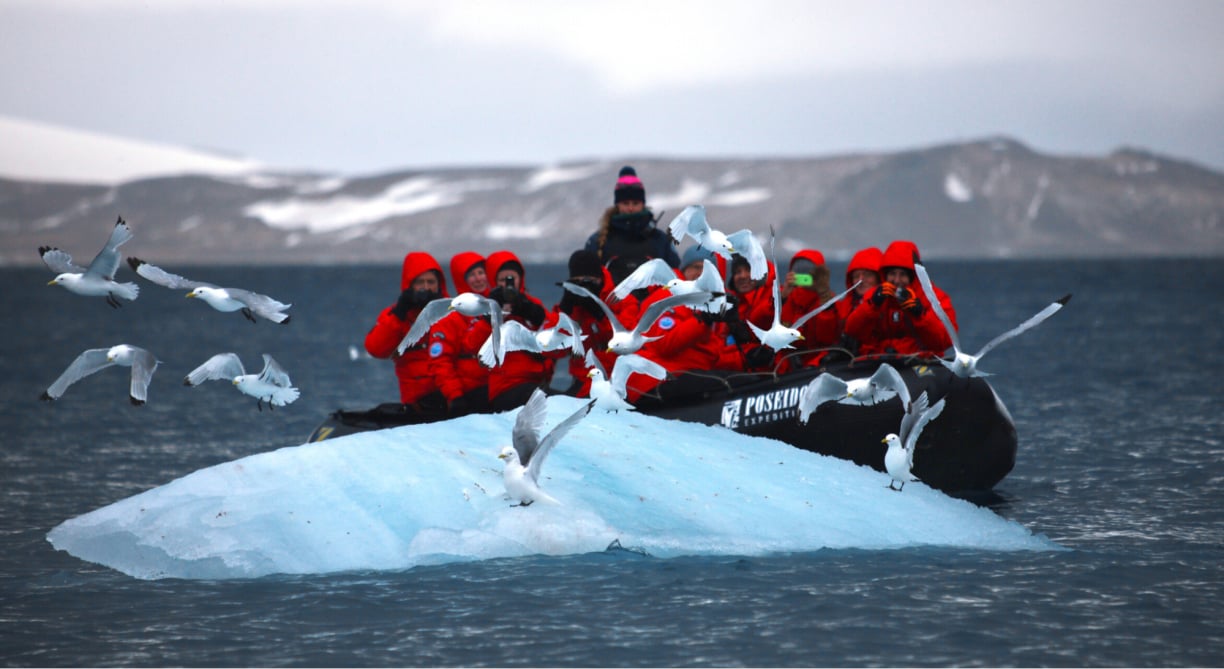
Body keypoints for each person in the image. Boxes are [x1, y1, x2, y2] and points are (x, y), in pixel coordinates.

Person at [363, 251, 449, 415]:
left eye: (431, 282)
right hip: (419, 402)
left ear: (439, 284)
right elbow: (376, 349)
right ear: (409, 285)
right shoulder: (396, 316)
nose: (426, 287)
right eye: (420, 282)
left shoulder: (452, 311)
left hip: (454, 395)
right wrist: (399, 315)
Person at [843, 241, 954, 358]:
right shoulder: (875, 296)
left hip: (919, 362)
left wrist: (920, 316)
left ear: (913, 276)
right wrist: (871, 306)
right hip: (881, 361)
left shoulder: (934, 298)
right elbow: (852, 331)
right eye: (892, 274)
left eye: (903, 275)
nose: (896, 280)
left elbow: (944, 341)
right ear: (884, 274)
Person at [554, 249, 640, 396]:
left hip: (618, 378)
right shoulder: (573, 306)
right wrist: (565, 310)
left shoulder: (623, 301)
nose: (586, 287)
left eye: (590, 281)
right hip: (582, 379)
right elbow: (553, 351)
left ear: (600, 277)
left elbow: (627, 343)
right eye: (580, 282)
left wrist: (600, 314)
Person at [585, 165, 680, 285]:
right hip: (611, 303)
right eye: (625, 203)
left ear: (642, 204)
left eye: (635, 203)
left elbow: (674, 276)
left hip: (653, 302)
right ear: (617, 204)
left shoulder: (660, 239)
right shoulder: (597, 241)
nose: (630, 208)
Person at [426, 252, 493, 417]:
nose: (478, 279)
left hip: (499, 387)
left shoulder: (501, 307)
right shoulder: (450, 317)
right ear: (461, 280)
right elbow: (441, 362)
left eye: (481, 272)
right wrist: (455, 396)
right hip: (471, 393)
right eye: (471, 275)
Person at [485, 250, 552, 411]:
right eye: (502, 280)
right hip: (505, 385)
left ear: (520, 278)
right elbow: (473, 344)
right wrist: (491, 316)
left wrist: (527, 311)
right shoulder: (488, 307)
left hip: (534, 381)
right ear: (493, 281)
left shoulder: (531, 303)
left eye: (512, 278)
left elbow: (553, 341)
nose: (508, 284)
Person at [779, 248, 840, 368]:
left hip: (818, 364)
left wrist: (824, 298)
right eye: (798, 271)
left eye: (808, 272)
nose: (803, 276)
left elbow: (827, 339)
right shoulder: (787, 298)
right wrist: (782, 299)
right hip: (789, 363)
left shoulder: (829, 301)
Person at [834, 246, 883, 356]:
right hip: (854, 362)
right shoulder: (845, 306)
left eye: (868, 275)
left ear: (879, 277)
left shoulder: (890, 305)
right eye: (856, 276)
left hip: (879, 359)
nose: (860, 280)